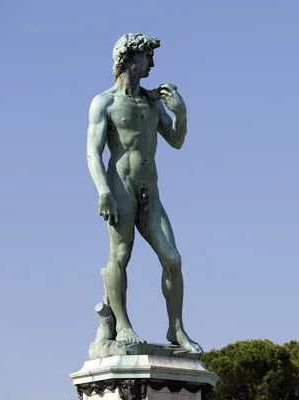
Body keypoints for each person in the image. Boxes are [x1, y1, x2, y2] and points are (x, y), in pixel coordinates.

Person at [86, 33, 201, 354]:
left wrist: (181, 113)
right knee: (120, 256)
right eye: (147, 56)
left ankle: (176, 328)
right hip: (120, 188)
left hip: (151, 191)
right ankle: (121, 325)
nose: (152, 63)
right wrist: (103, 191)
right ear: (130, 59)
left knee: (172, 259)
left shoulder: (152, 102)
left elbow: (176, 141)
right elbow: (93, 153)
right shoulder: (104, 102)